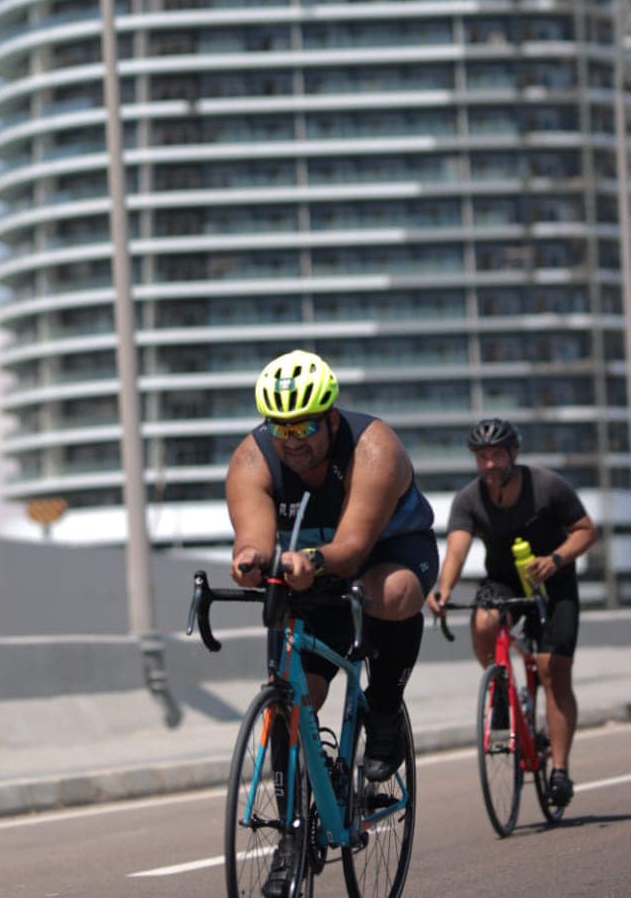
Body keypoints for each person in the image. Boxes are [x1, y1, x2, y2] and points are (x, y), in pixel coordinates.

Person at [227, 349, 438, 898]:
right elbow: (253, 539)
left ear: (333, 419)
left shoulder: (375, 448)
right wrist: (250, 560)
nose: (292, 439)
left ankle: (384, 709)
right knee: (292, 700)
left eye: (304, 426)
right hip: (309, 575)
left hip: (383, 555)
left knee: (390, 593)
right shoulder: (251, 460)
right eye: (280, 427)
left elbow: (351, 548)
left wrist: (312, 561)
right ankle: (292, 836)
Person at [426, 417, 596, 808]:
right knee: (484, 620)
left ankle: (559, 771)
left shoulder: (548, 486)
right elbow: (456, 549)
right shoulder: (469, 499)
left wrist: (555, 559)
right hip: (504, 582)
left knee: (552, 669)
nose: (489, 464)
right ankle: (500, 689)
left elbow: (587, 531)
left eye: (497, 455)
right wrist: (444, 590)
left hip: (553, 581)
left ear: (513, 453)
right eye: (482, 457)